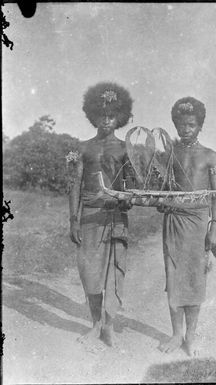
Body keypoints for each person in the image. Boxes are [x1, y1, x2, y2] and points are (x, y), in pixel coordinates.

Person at [67, 81, 133, 351]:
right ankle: (95, 324)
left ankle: (108, 326)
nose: (106, 119)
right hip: (90, 218)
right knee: (90, 273)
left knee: (112, 274)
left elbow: (131, 187)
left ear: (120, 118)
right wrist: (73, 219)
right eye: (101, 114)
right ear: (92, 115)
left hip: (115, 218)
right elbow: (74, 185)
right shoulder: (82, 148)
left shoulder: (126, 149)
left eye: (112, 115)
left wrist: (127, 200)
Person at [158, 97, 216, 356]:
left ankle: (191, 337)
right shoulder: (169, 155)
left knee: (195, 280)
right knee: (174, 279)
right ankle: (176, 334)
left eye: (191, 124)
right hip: (173, 221)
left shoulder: (211, 156)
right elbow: (163, 190)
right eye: (181, 124)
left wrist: (214, 228)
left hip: (198, 223)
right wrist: (162, 203)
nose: (186, 129)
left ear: (200, 125)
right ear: (175, 125)